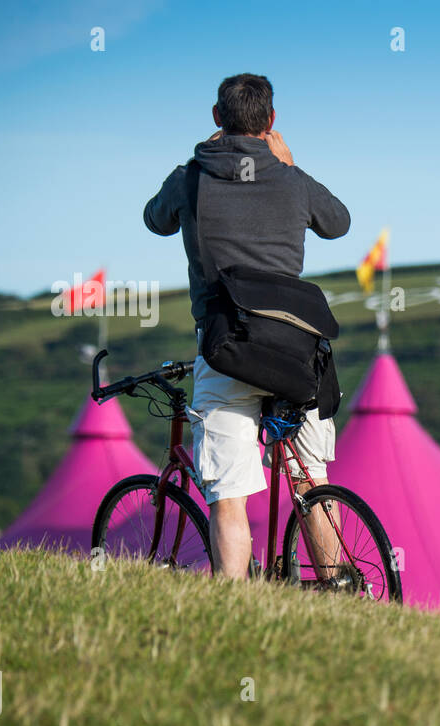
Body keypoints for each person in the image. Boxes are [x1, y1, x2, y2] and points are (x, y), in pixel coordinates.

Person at [143, 73, 351, 579]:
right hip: (295, 349)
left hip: (226, 347)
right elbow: (338, 222)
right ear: (271, 120)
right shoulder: (292, 179)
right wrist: (291, 167)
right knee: (310, 477)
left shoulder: (191, 178)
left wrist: (195, 161)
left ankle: (234, 604)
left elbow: (155, 219)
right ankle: (340, 587)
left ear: (217, 117)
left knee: (229, 491)